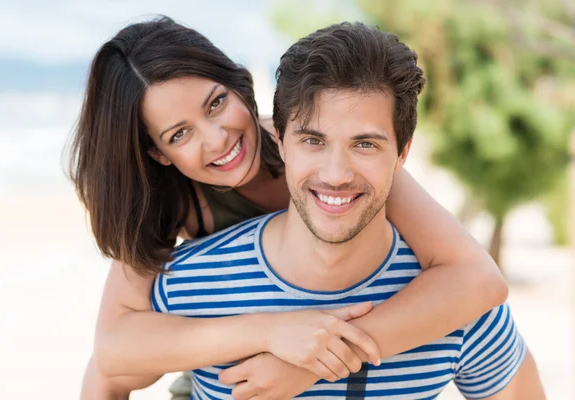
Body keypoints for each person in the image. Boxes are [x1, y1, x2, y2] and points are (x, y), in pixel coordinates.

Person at [69, 17, 509, 399]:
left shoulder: (332, 155)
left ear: (241, 84)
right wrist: (271, 331)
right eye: (179, 134)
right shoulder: (169, 200)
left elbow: (477, 279)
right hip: (227, 375)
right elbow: (112, 351)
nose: (217, 138)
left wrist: (314, 360)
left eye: (216, 103)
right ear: (158, 153)